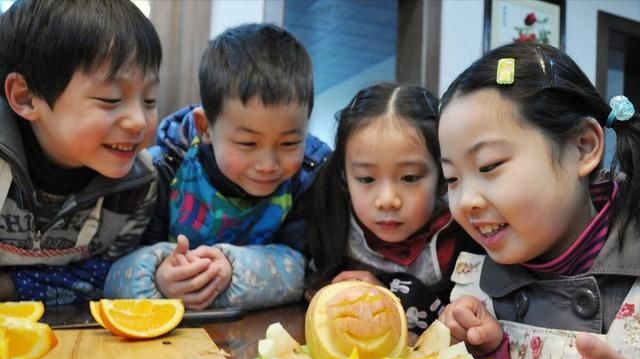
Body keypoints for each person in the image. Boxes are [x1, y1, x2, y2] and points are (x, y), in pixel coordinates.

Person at [437, 42, 640, 359]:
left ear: (583, 147)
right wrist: (488, 354)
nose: (466, 201)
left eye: (488, 166)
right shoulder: (472, 291)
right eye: (452, 179)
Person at [104, 23, 331, 310]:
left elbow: (311, 271)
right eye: (248, 144)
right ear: (205, 128)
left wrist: (233, 270)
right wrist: (158, 279)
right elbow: (113, 269)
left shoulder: (308, 178)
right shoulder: (163, 170)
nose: (268, 164)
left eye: (288, 144)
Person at [0, 0, 161, 305]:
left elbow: (105, 279)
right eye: (111, 99)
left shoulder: (138, 185)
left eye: (149, 100)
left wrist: (11, 287)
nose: (139, 120)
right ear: (26, 97)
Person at [306, 83, 477, 333]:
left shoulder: (464, 236)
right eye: (366, 179)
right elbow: (310, 286)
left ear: (442, 177)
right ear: (345, 176)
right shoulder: (332, 222)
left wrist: (387, 296)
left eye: (409, 178)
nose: (387, 200)